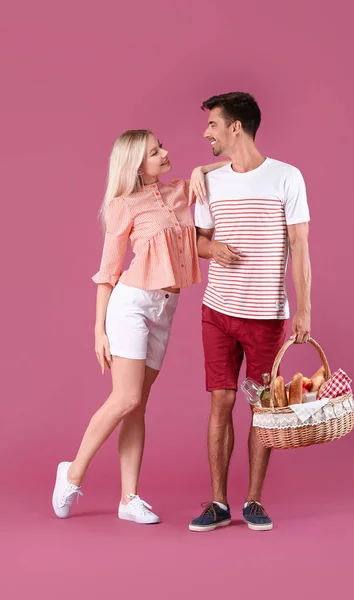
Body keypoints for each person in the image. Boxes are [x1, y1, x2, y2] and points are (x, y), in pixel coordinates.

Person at [52, 129, 224, 524]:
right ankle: (73, 471)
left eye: (161, 146)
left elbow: (230, 170)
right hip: (131, 304)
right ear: (136, 165)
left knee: (137, 406)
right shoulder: (123, 206)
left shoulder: (183, 191)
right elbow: (107, 274)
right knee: (126, 398)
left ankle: (128, 498)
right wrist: (99, 330)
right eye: (153, 152)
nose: (165, 153)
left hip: (166, 308)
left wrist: (201, 168)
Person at [189, 92, 311, 532]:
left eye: (213, 126)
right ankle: (218, 504)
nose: (206, 134)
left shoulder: (287, 177)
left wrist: (304, 310)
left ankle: (253, 501)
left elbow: (300, 247)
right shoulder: (208, 182)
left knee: (262, 407)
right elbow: (198, 242)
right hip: (217, 311)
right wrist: (212, 247)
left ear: (235, 127)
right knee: (220, 403)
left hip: (266, 315)